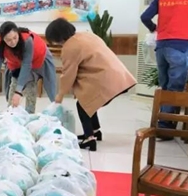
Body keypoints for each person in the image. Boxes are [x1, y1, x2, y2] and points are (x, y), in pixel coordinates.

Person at [45, 18, 136, 151]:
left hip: (104, 79)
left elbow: (68, 74)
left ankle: (90, 138)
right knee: (89, 102)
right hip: (118, 75)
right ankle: (95, 131)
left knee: (83, 105)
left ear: (57, 36)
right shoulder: (87, 35)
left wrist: (60, 95)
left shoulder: (70, 47)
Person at [140, 0, 188, 133]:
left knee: (165, 86)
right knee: (175, 87)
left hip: (162, 45)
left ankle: (161, 121)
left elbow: (145, 17)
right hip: (182, 46)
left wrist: (154, 28)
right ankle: (165, 126)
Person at [0, 21, 56, 113]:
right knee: (14, 85)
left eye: (15, 37)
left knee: (32, 86)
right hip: (16, 62)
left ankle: (30, 113)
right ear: (3, 39)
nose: (13, 42)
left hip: (39, 57)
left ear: (18, 33)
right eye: (8, 40)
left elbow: (26, 65)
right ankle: (10, 113)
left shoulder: (27, 40)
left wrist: (18, 92)